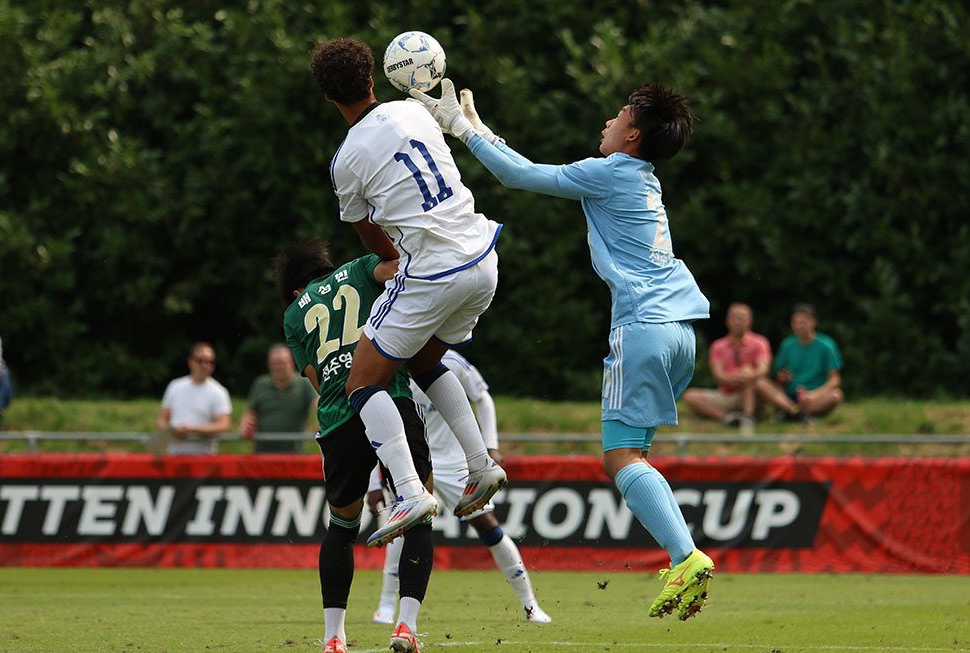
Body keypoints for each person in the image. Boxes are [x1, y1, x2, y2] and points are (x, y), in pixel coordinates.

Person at [411, 81, 714, 620]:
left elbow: (519, 175)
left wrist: (460, 130)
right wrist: (479, 129)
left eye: (617, 115)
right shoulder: (644, 178)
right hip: (684, 329)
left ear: (632, 135)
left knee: (619, 459)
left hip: (643, 328)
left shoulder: (611, 172)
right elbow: (525, 164)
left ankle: (686, 556)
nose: (607, 122)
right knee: (634, 456)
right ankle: (683, 555)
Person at [309, 38, 507, 549]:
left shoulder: (345, 160)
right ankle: (481, 465)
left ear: (327, 98)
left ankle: (410, 492)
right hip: (483, 256)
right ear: (373, 78)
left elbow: (369, 235)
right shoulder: (414, 113)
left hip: (434, 273)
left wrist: (394, 261)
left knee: (360, 383)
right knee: (422, 362)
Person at [275, 238, 434, 653]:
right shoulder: (361, 268)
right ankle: (405, 628)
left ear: (294, 288)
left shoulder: (294, 313)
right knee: (420, 509)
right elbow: (399, 267)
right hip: (390, 396)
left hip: (338, 418)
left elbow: (314, 377)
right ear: (326, 265)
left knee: (342, 528)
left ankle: (333, 637)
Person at [368, 350, 552, 626]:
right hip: (414, 459)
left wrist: (491, 445)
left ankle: (530, 605)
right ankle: (386, 606)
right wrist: (373, 482)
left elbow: (483, 398)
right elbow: (372, 424)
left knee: (488, 526)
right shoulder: (390, 359)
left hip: (455, 462)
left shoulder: (450, 360)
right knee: (403, 526)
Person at [682, 303, 800, 434]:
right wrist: (735, 378)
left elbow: (763, 369)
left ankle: (752, 416)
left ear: (749, 322)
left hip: (755, 394)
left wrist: (747, 375)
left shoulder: (760, 342)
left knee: (750, 374)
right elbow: (718, 376)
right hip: (727, 394)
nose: (738, 322)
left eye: (742, 318)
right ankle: (729, 419)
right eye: (735, 318)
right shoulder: (718, 346)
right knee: (690, 396)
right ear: (727, 321)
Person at [237, 343, 318, 453]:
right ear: (269, 365)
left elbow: (318, 405)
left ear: (292, 363)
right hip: (262, 454)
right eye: (275, 363)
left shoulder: (304, 384)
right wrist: (245, 425)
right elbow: (250, 412)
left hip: (294, 454)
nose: (279, 367)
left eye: (282, 363)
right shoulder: (260, 383)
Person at [156, 342, 232, 455]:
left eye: (209, 362)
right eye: (200, 360)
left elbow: (224, 425)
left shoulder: (219, 392)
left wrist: (193, 430)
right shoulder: (175, 386)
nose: (205, 365)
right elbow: (162, 420)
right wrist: (172, 431)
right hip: (174, 455)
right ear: (190, 361)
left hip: (203, 457)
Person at [770, 303, 844, 418]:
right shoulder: (787, 344)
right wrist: (782, 378)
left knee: (836, 395)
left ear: (813, 322)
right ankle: (799, 412)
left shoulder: (826, 345)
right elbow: (779, 378)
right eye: (796, 322)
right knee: (765, 386)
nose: (799, 326)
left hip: (815, 394)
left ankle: (791, 412)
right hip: (790, 394)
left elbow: (835, 379)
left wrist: (815, 394)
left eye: (803, 322)